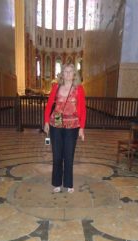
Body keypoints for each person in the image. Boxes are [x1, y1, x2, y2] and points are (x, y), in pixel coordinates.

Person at [44, 63, 86, 193]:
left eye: (70, 71)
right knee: (57, 155)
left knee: (69, 155)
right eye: (65, 71)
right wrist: (46, 122)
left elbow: (83, 109)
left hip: (72, 124)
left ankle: (68, 183)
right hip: (56, 122)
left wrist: (82, 128)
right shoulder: (56, 87)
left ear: (74, 74)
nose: (67, 74)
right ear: (62, 73)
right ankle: (57, 182)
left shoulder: (79, 89)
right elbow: (50, 104)